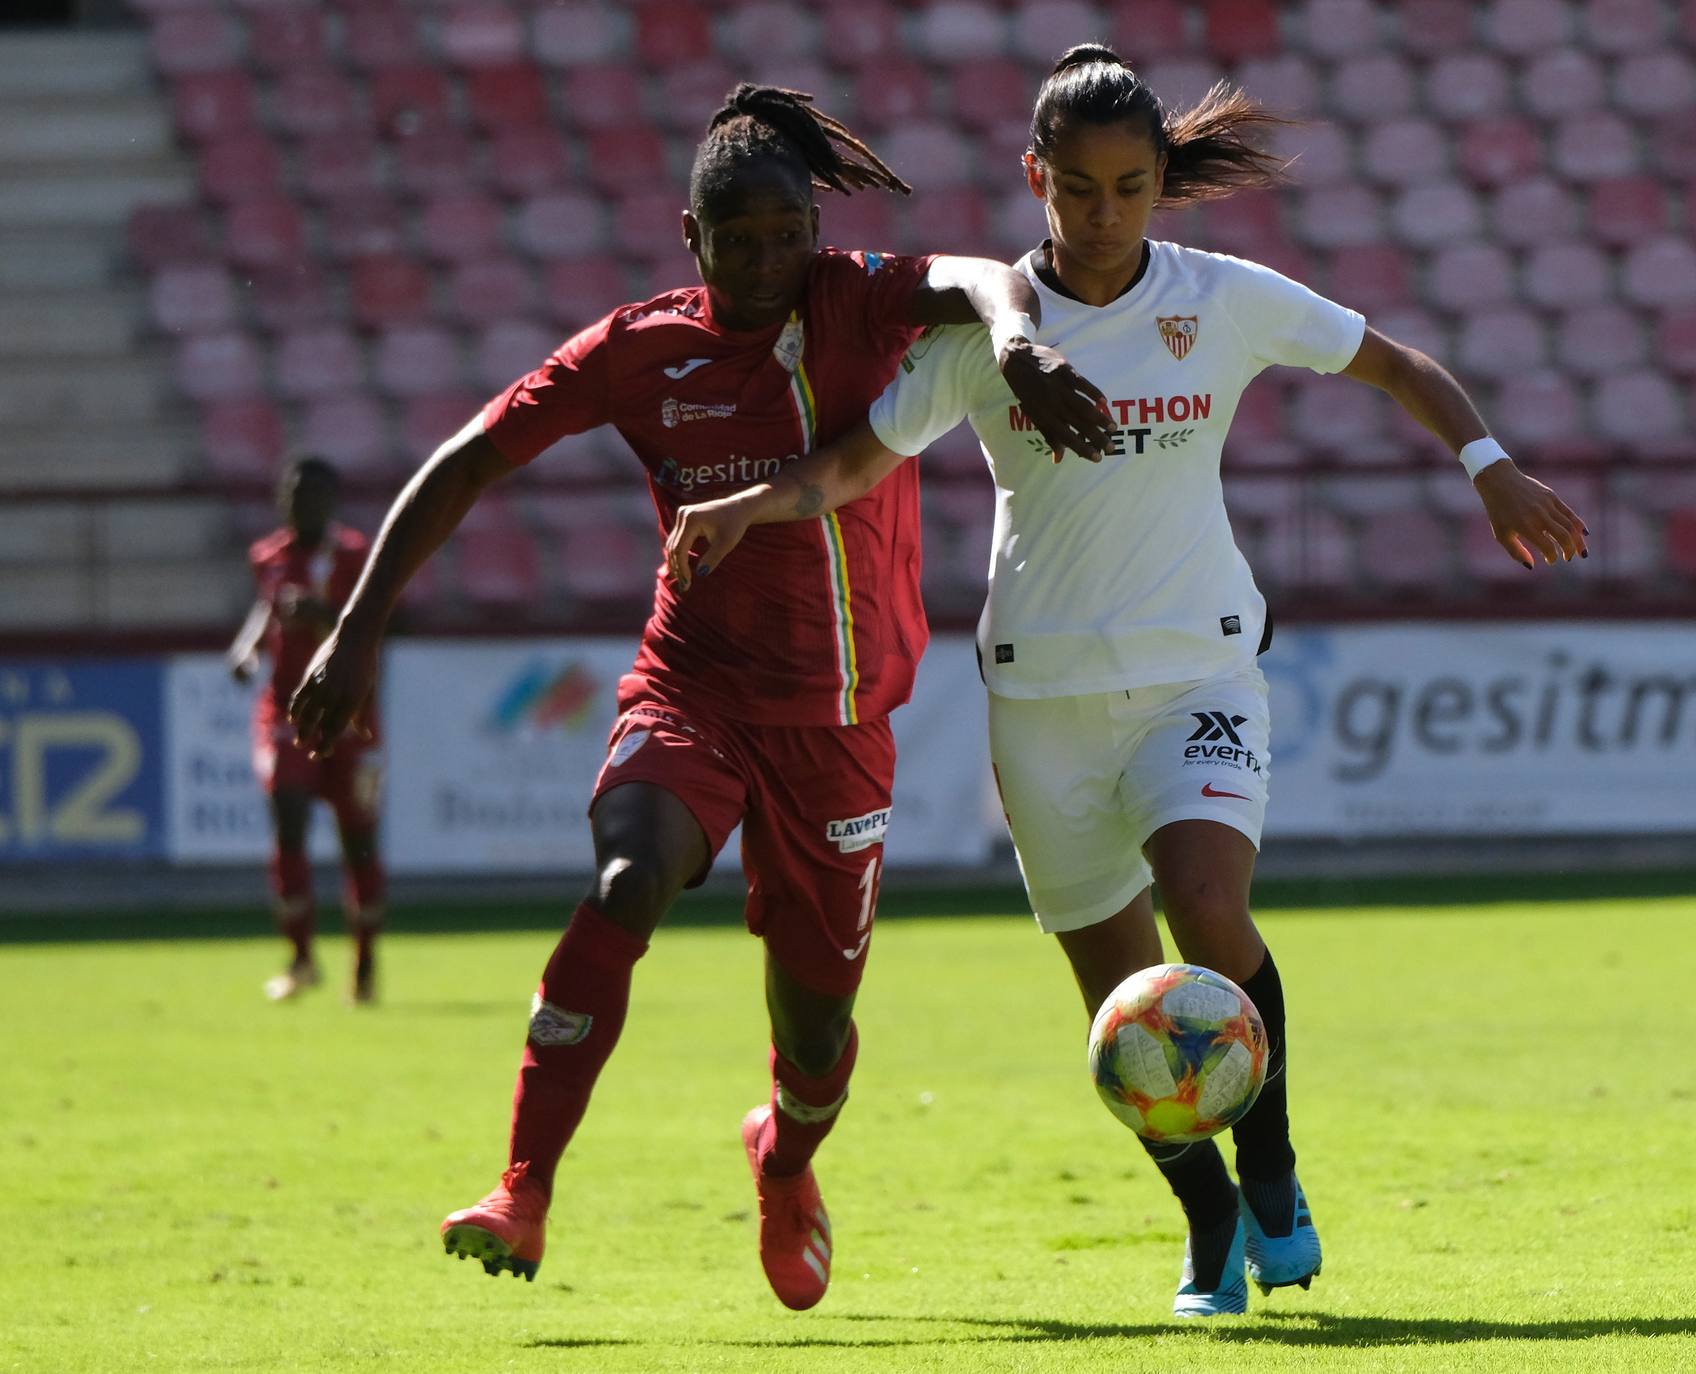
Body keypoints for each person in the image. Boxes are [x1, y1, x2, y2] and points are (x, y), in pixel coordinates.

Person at [663, 47, 1588, 1317]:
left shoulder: (1221, 297)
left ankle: (1269, 1171)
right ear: (1036, 176)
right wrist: (737, 507)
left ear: (1161, 186)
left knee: (1206, 909)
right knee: (1120, 1010)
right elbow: (840, 470)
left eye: (1131, 188)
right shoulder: (993, 337)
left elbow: (1395, 363)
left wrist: (1487, 462)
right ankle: (1206, 1228)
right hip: (1042, 704)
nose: (1104, 216)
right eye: (1080, 189)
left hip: (1194, 668)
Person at [286, 83, 1114, 1307]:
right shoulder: (638, 351)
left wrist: (1010, 339)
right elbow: (467, 459)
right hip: (692, 693)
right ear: (693, 238)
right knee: (628, 878)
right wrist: (357, 632)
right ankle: (521, 1191)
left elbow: (983, 275)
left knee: (818, 1037)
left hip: (836, 728)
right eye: (741, 239)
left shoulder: (856, 300)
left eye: (790, 233)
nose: (771, 259)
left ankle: (784, 1159)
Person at [227, 455, 386, 1005]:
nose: (304, 505)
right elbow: (266, 610)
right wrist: (245, 649)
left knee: (357, 842)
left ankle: (364, 964)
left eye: (315, 496)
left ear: (332, 501)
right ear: (284, 501)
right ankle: (299, 960)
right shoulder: (268, 557)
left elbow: (385, 618)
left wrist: (320, 610)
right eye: (296, 496)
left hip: (350, 718)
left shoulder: (357, 555)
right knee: (287, 821)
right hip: (286, 716)